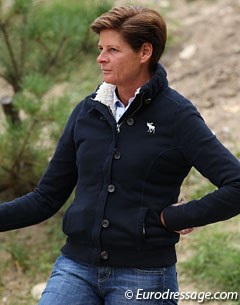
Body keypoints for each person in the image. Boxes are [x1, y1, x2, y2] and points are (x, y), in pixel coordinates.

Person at [0, 5, 239, 305]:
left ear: (144, 52)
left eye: (113, 49)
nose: (101, 58)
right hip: (76, 268)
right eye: (101, 48)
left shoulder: (177, 116)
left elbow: (236, 185)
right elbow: (46, 197)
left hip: (145, 275)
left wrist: (174, 217)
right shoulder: (86, 112)